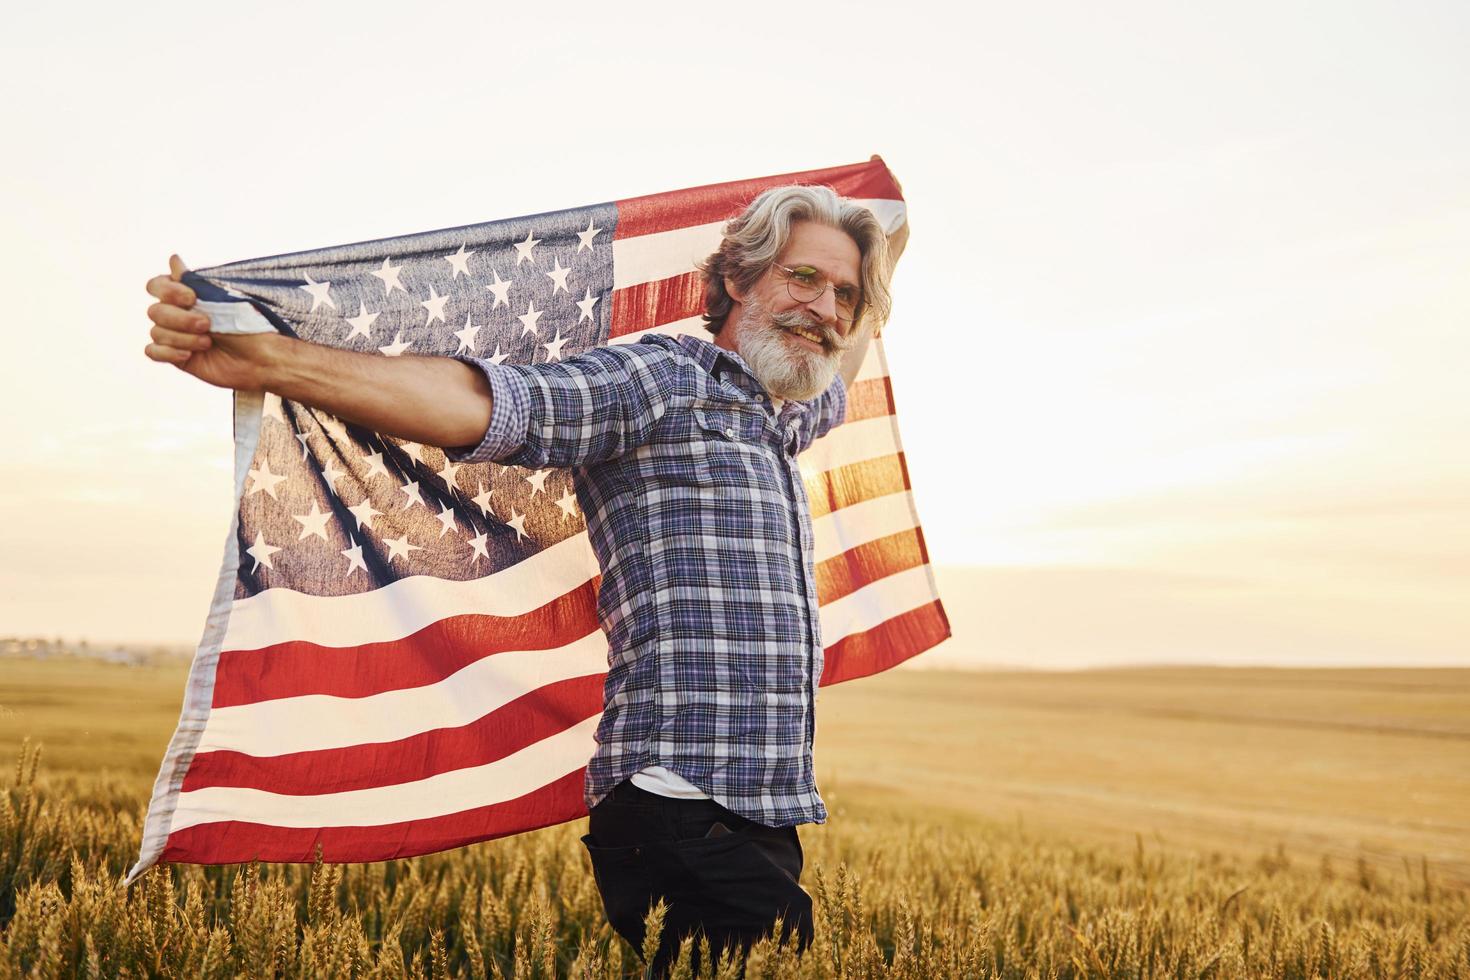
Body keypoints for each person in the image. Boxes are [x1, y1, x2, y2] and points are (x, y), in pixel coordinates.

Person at [144, 184, 896, 975]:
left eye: (845, 293)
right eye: (803, 278)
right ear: (738, 279)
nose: (827, 308)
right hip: (684, 803)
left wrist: (888, 230)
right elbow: (496, 405)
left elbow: (840, 350)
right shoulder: (665, 381)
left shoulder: (779, 418)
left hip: (757, 809)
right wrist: (266, 359)